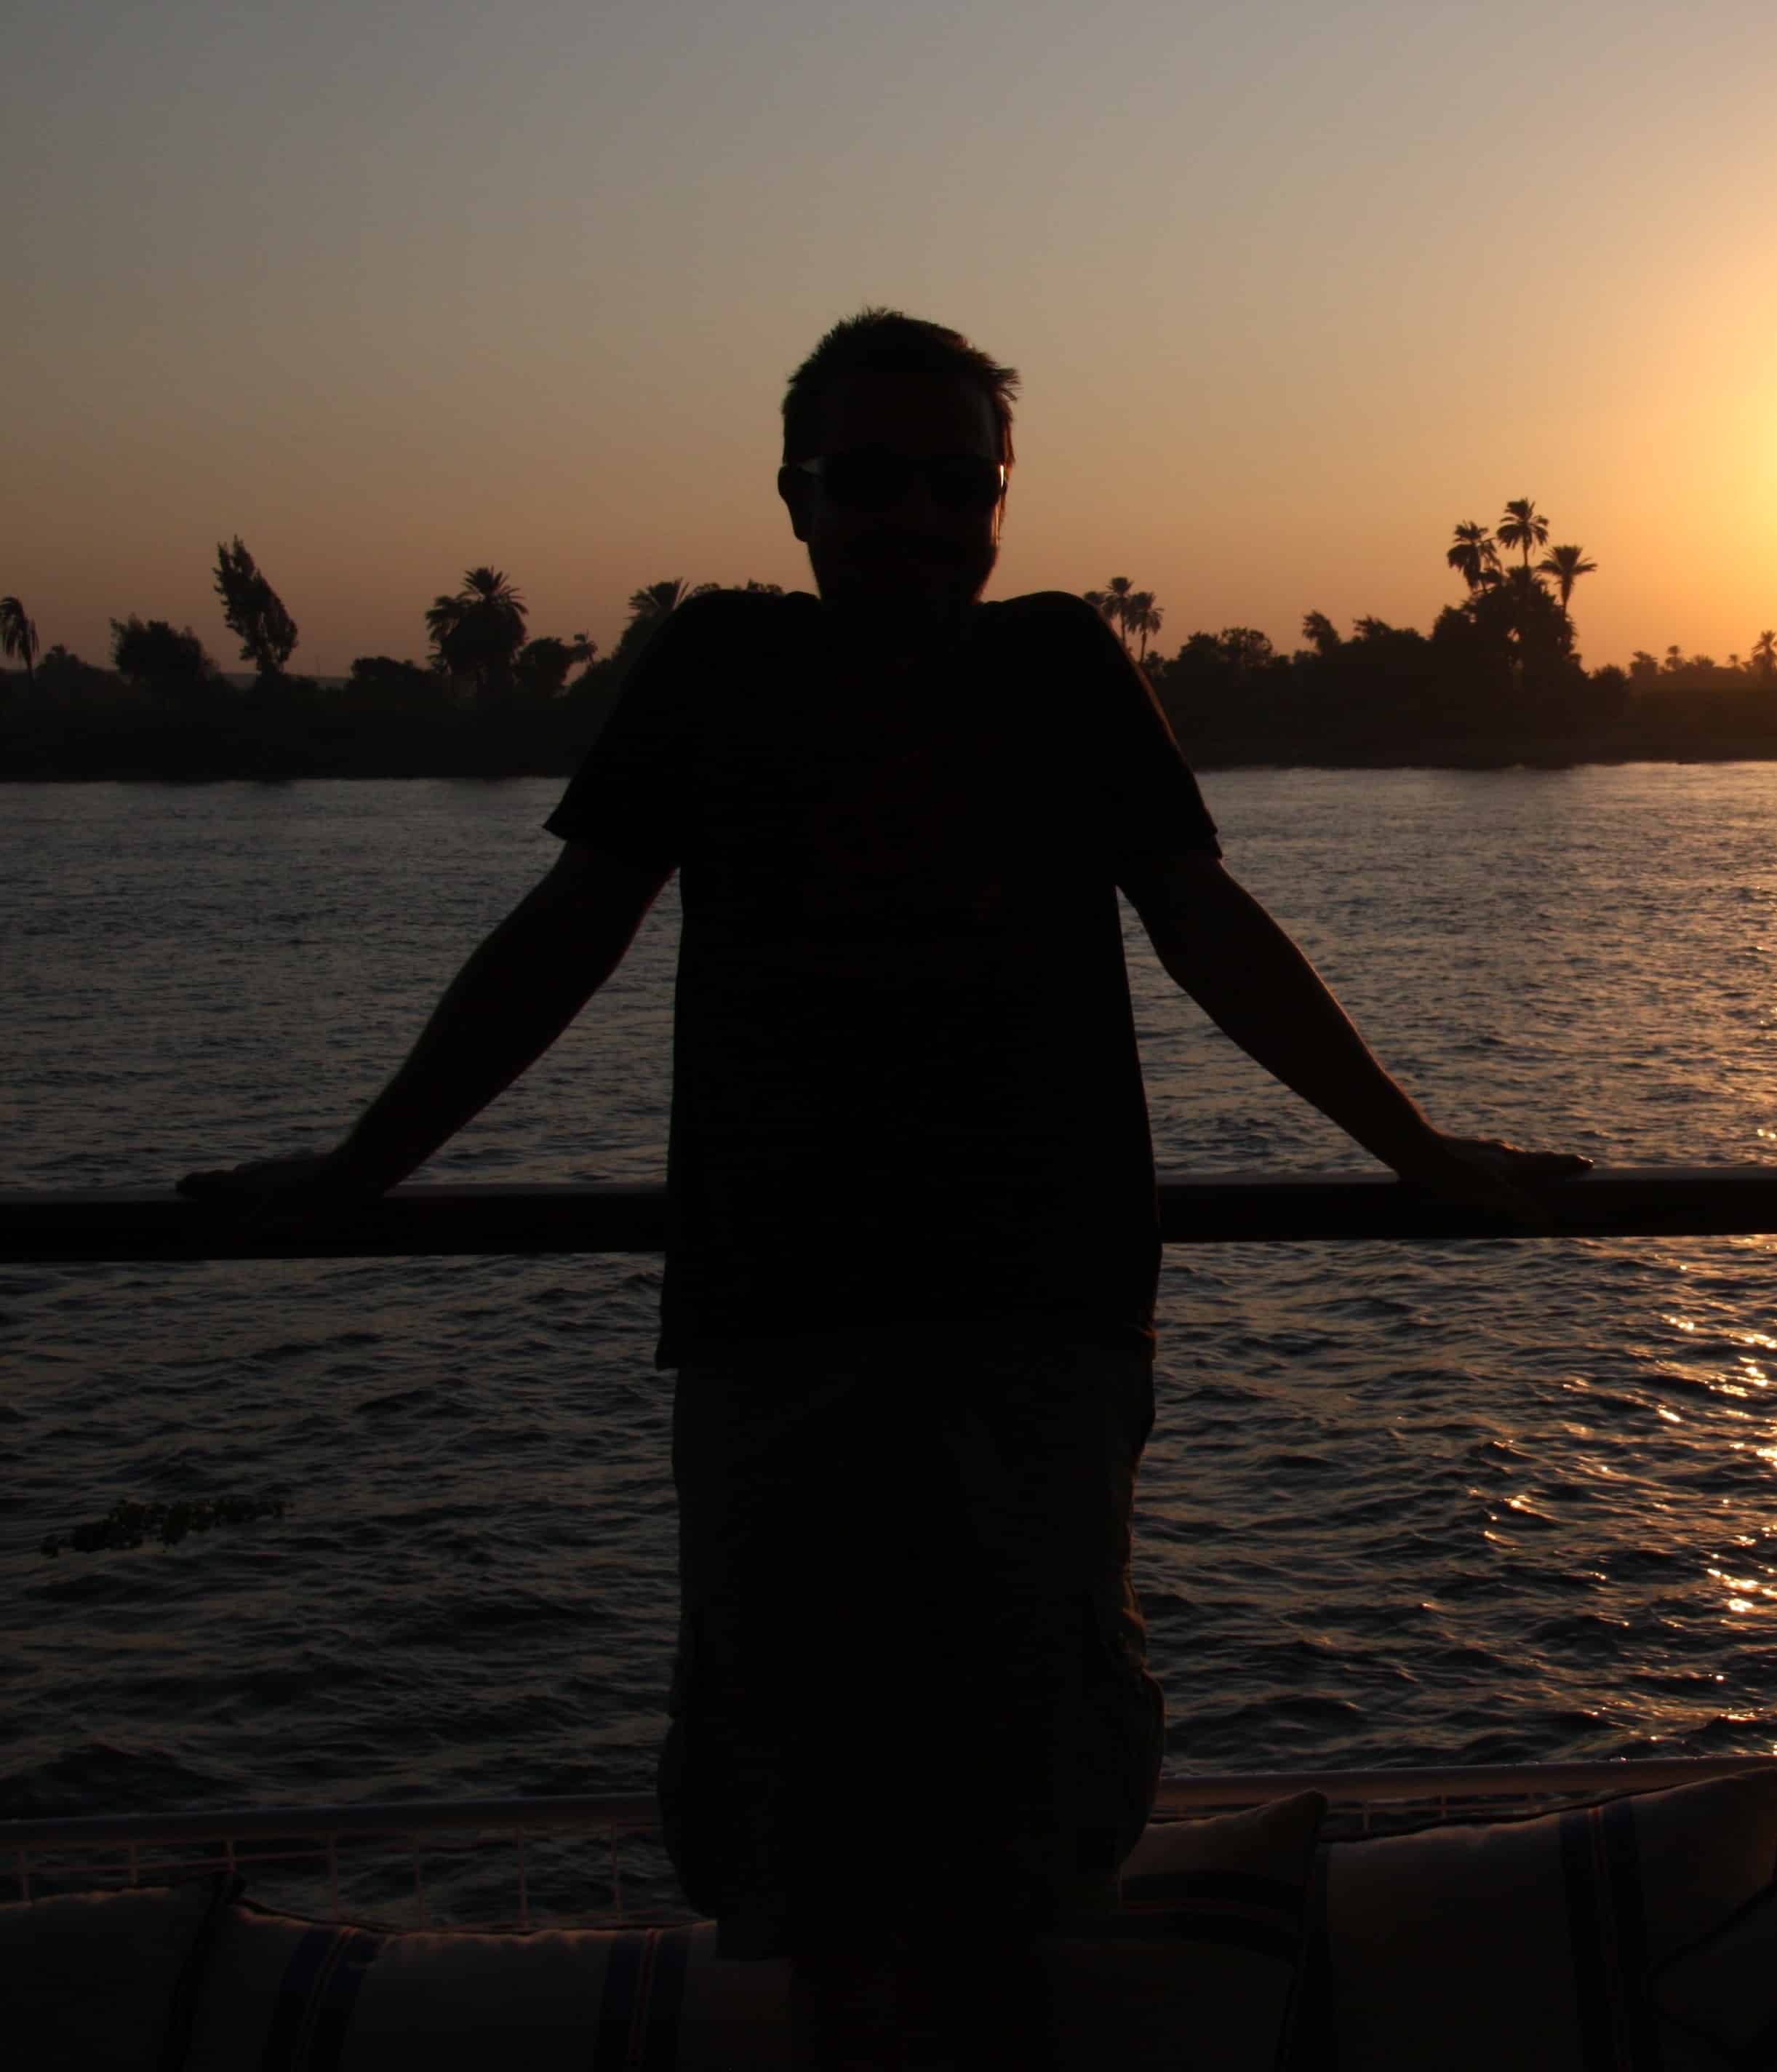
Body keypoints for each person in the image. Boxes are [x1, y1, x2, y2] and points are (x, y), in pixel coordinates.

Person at [180, 306, 1588, 2068]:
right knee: (810, 1851)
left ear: (1006, 501)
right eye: (871, 482)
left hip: (1036, 1335)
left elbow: (1210, 927)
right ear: (794, 494)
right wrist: (358, 1170)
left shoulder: (1062, 667)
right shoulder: (715, 669)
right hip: (782, 1336)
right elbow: (567, 934)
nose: (918, 521)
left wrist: (1425, 1153)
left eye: (958, 484)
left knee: (1022, 1841)